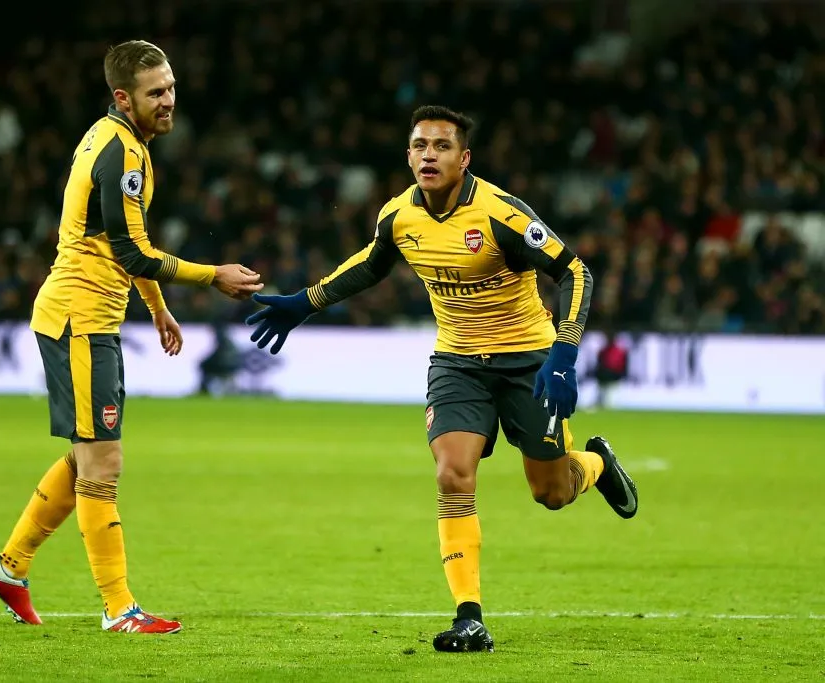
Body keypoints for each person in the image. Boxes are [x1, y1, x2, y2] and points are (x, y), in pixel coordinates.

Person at [245, 106, 638, 653]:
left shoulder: (500, 214)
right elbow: (370, 264)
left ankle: (595, 463)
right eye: (419, 146)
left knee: (551, 492)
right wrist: (305, 302)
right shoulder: (399, 216)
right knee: (453, 475)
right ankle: (468, 617)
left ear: (464, 158)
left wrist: (563, 353)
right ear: (408, 155)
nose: (429, 155)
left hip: (528, 360)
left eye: (442, 146)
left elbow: (574, 270)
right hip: (458, 363)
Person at [0, 39, 263, 635]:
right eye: (156, 92)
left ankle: (10, 566)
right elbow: (132, 251)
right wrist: (212, 275)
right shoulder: (123, 153)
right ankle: (118, 608)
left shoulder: (115, 140)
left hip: (89, 318)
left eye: (172, 87)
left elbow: (125, 240)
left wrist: (158, 308)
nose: (169, 100)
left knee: (87, 455)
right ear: (123, 97)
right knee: (102, 463)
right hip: (79, 318)